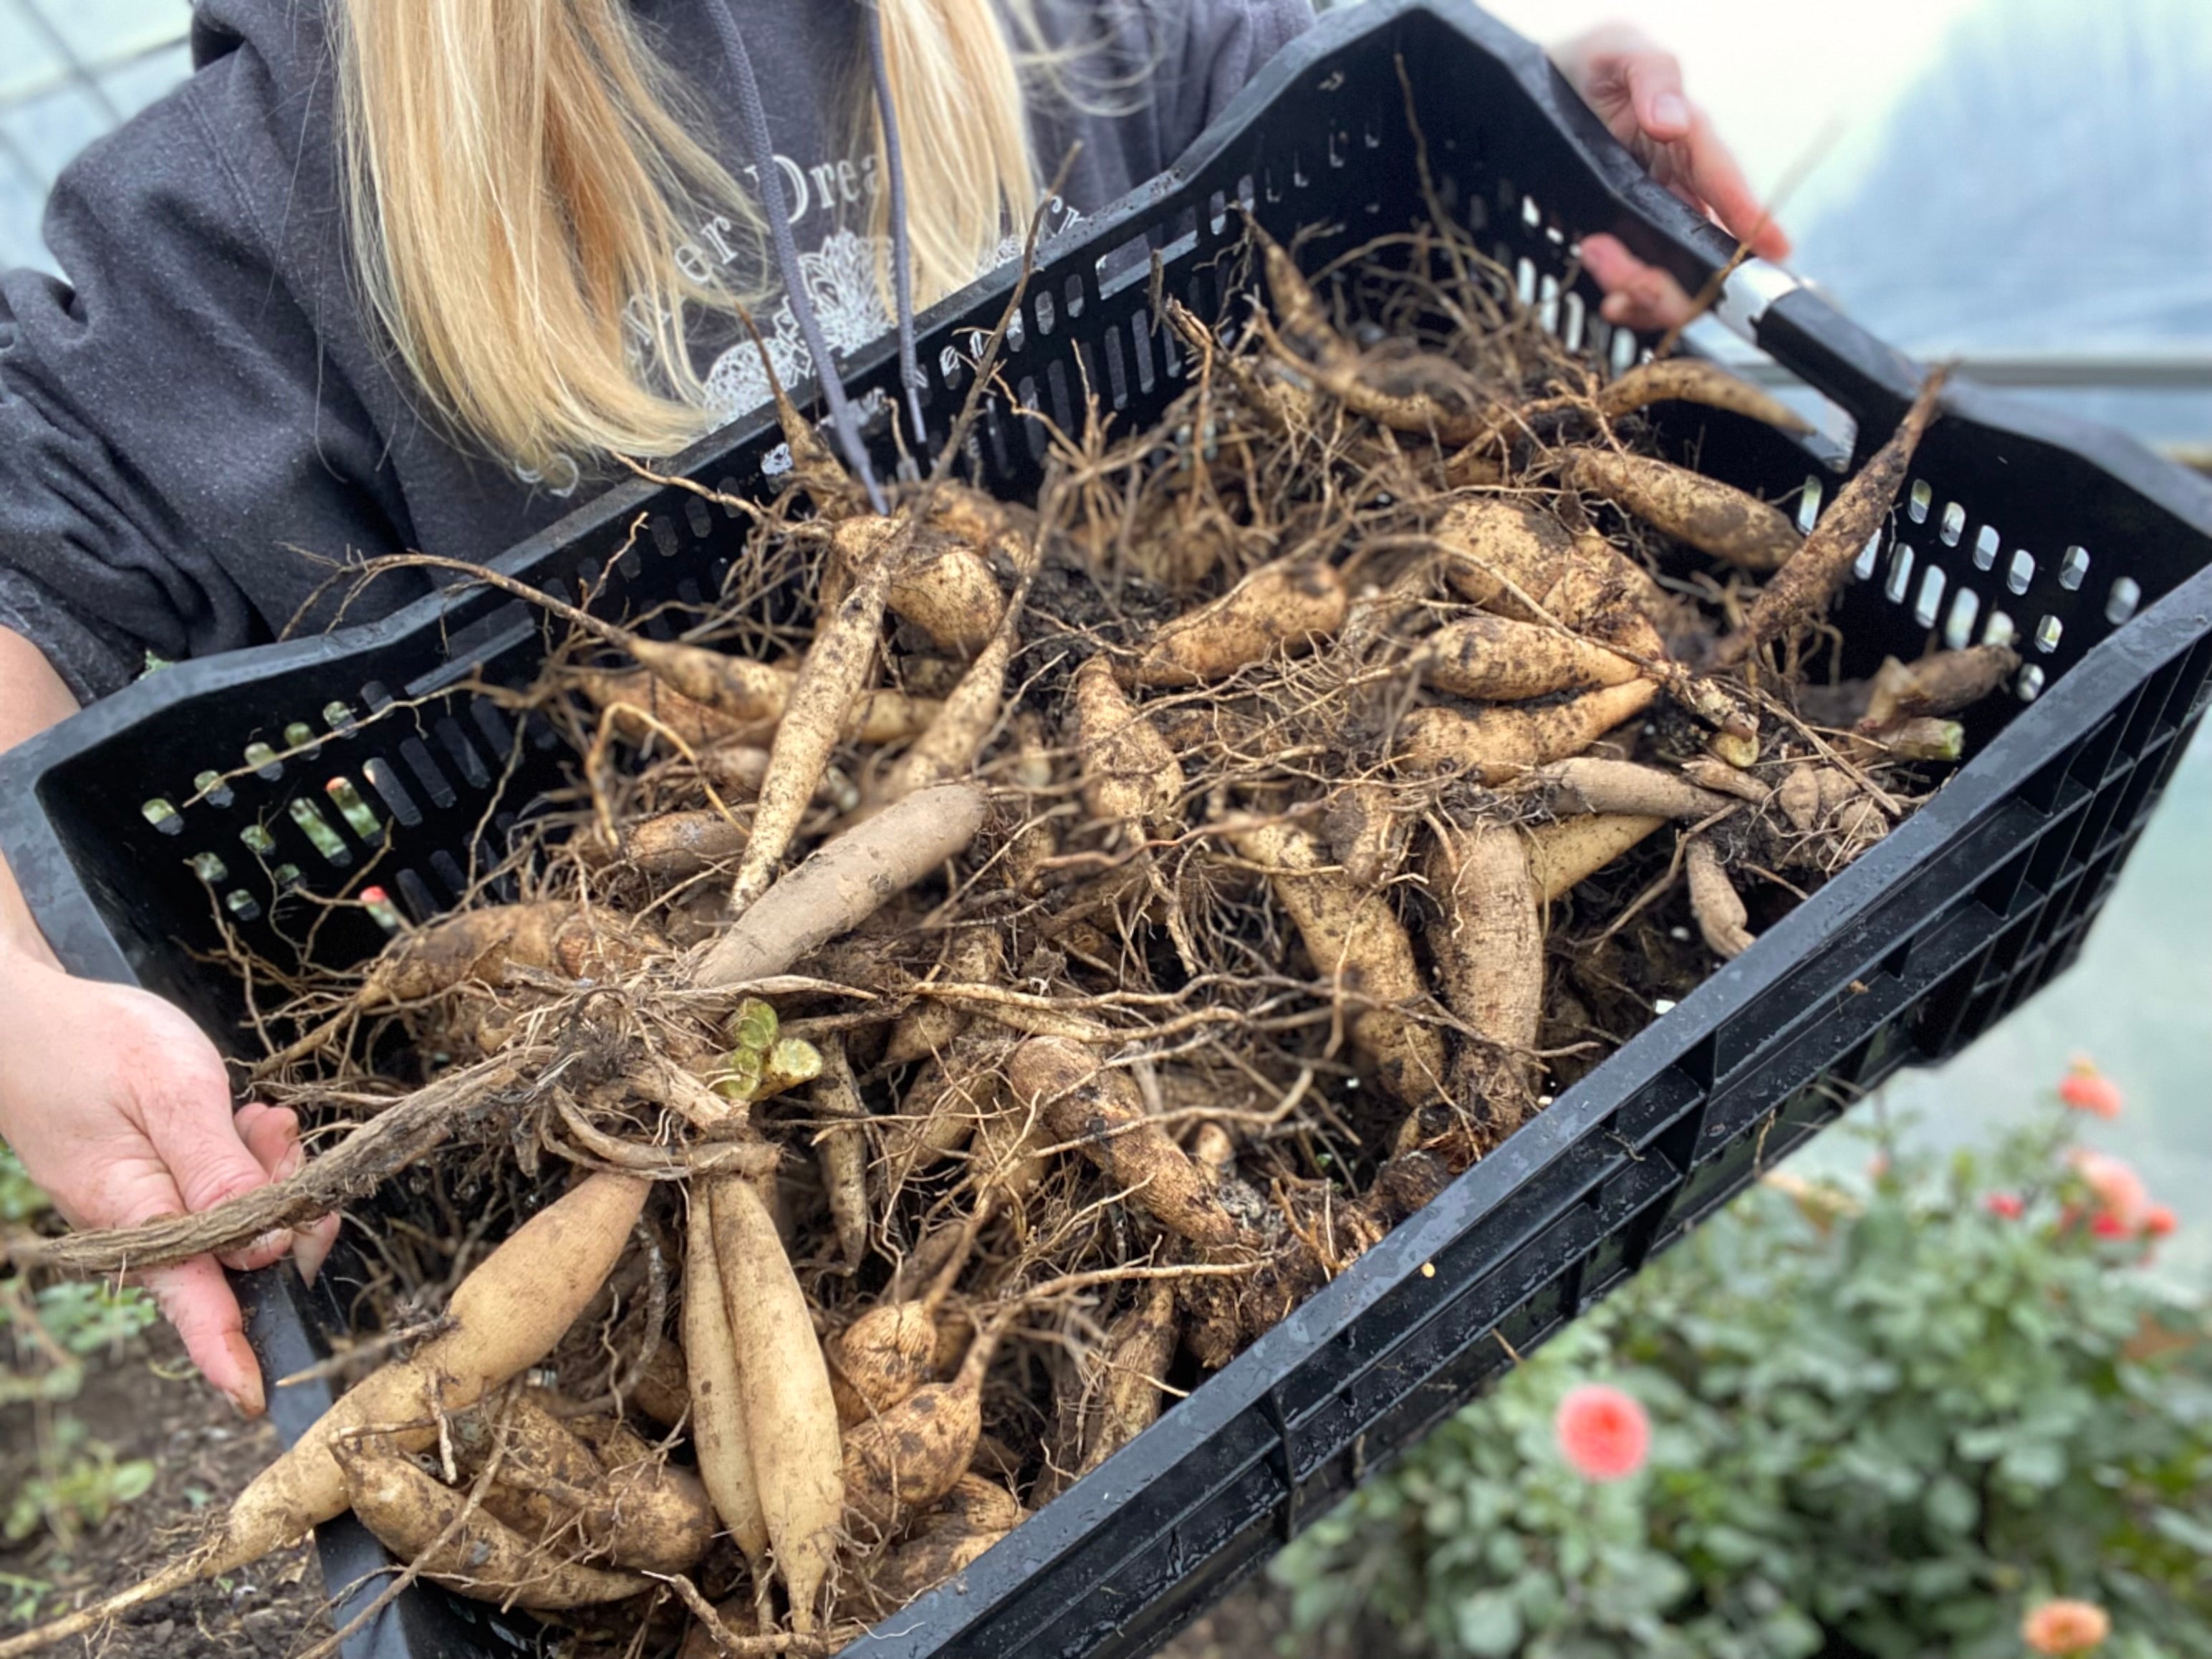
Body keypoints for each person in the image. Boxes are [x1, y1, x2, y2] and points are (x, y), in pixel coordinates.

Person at [0, 0, 1787, 1415]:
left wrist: (1537, 95)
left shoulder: (1043, 19)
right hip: (646, 979)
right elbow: (32, 541)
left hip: (1116, 752)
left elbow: (1308, 87)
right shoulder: (249, 207)